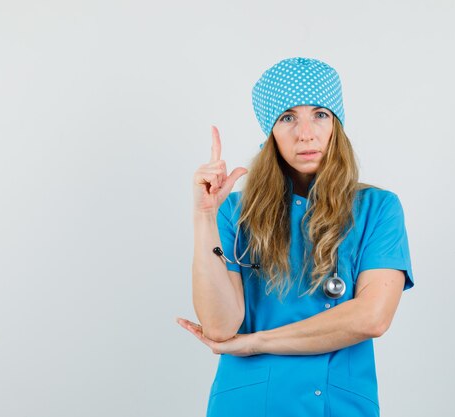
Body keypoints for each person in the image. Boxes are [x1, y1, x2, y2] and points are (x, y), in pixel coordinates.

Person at [177, 57, 415, 417]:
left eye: (320, 114)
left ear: (336, 125)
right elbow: (219, 325)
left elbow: (372, 318)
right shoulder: (236, 212)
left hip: (339, 405)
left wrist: (256, 342)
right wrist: (204, 216)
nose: (306, 133)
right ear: (270, 131)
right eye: (287, 117)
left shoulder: (377, 209)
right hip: (249, 406)